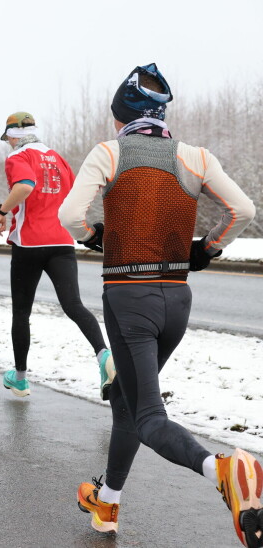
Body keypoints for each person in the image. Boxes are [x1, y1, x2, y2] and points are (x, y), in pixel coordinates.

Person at [56, 63, 261, 544]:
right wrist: (207, 248)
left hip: (129, 299)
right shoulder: (195, 157)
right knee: (128, 403)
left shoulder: (110, 152)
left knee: (147, 414)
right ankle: (106, 503)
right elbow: (244, 211)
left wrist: (93, 239)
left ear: (122, 114)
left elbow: (70, 215)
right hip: (177, 301)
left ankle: (222, 471)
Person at [0, 111, 114, 399]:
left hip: (29, 243)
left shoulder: (18, 157)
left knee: (22, 312)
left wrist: (1, 211)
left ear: (12, 136)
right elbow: (75, 197)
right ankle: (104, 356)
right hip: (61, 241)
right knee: (73, 304)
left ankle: (20, 379)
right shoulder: (58, 159)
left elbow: (24, 186)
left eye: (8, 138)